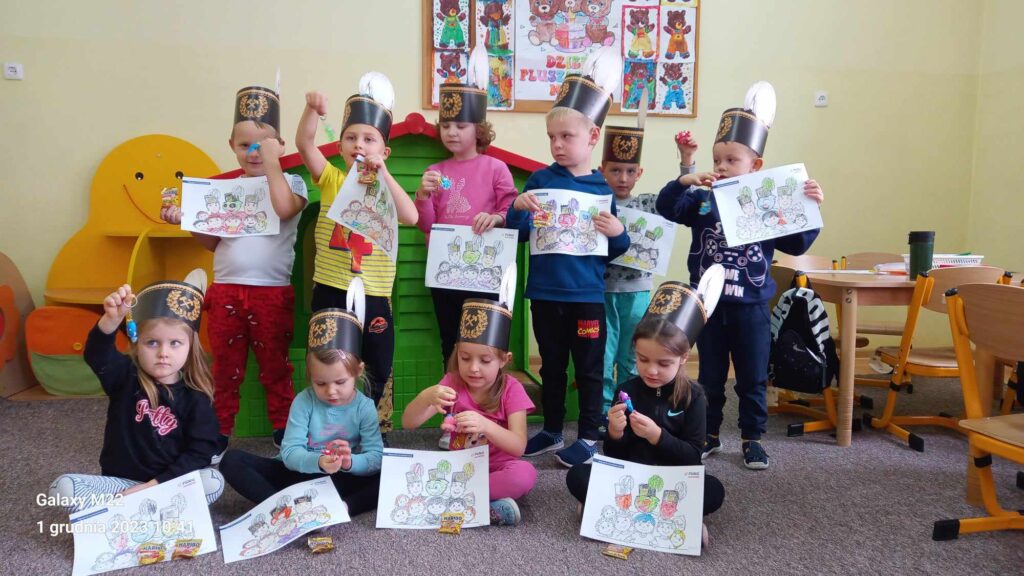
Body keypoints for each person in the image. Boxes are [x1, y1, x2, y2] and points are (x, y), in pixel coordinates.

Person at [655, 82, 824, 469]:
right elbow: (668, 208)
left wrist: (810, 207)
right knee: (709, 377)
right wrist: (684, 179)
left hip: (752, 308)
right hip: (709, 308)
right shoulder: (702, 200)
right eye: (718, 159)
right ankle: (709, 433)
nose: (721, 166)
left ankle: (752, 438)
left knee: (752, 378)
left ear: (755, 166)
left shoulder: (766, 204)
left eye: (731, 160)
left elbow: (797, 243)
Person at [161, 85, 308, 459]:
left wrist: (273, 163)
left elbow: (284, 209)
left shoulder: (291, 182)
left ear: (280, 145)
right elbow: (213, 243)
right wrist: (188, 221)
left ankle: (284, 429)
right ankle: (219, 430)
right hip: (226, 290)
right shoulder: (225, 191)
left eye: (262, 145)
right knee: (225, 368)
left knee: (275, 366)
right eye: (245, 145)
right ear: (232, 146)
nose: (253, 152)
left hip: (271, 292)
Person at [506, 50, 630, 467]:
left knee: (590, 368)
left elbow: (614, 249)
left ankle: (590, 436)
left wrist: (619, 234)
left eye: (567, 137)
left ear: (592, 137)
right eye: (552, 137)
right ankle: (553, 430)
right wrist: (517, 209)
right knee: (552, 366)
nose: (558, 145)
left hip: (586, 297)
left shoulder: (602, 188)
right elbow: (520, 234)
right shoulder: (540, 180)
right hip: (545, 294)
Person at [296, 72, 418, 442]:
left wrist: (385, 175)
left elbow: (411, 217)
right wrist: (312, 110)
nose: (359, 145)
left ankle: (370, 425)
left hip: (375, 294)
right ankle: (328, 426)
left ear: (384, 151)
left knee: (378, 361)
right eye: (351, 138)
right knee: (329, 358)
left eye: (369, 139)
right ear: (340, 147)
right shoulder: (331, 179)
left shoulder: (386, 189)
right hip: (331, 288)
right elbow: (304, 144)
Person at [567, 280, 726, 547]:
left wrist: (657, 436)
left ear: (683, 357)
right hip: (630, 479)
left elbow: (692, 457)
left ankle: (602, 506)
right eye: (643, 359)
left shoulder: (694, 396)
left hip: (672, 480)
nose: (651, 371)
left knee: (713, 490)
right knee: (578, 475)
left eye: (664, 363)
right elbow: (615, 456)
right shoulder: (626, 390)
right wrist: (615, 433)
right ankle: (678, 517)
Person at [48, 278, 224, 512]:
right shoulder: (124, 376)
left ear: (190, 347)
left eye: (175, 343)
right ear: (137, 344)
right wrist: (111, 320)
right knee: (62, 489)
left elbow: (199, 452)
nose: (163, 353)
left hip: (168, 485)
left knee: (213, 481)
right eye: (152, 343)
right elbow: (97, 354)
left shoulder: (197, 397)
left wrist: (153, 487)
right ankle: (145, 512)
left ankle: (131, 511)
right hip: (120, 486)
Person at [220, 280, 383, 517]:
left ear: (358, 372)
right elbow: (290, 453)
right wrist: (318, 462)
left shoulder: (364, 407)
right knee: (232, 461)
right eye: (320, 383)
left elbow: (375, 457)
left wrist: (350, 463)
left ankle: (343, 508)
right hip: (299, 476)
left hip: (341, 479)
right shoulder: (304, 401)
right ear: (310, 376)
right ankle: (282, 510)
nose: (331, 391)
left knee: (390, 473)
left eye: (340, 382)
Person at [401, 267, 533, 525]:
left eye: (485, 360)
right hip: (459, 467)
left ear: (504, 360)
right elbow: (409, 423)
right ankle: (483, 503)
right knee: (410, 468)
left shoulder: (512, 389)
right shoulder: (452, 382)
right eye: (465, 358)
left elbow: (518, 446)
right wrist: (426, 397)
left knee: (524, 474)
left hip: (499, 467)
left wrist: (486, 425)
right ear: (456, 353)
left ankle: (454, 498)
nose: (473, 368)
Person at [416, 47, 517, 370]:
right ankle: (451, 395)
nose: (451, 132)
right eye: (446, 125)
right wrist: (422, 195)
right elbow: (426, 225)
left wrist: (497, 217)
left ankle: (486, 396)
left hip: (486, 271)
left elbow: (512, 207)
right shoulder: (437, 171)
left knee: (486, 339)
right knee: (451, 340)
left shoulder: (496, 168)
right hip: (446, 272)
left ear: (479, 130)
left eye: (460, 125)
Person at [599, 125, 698, 415]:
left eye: (630, 171)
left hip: (637, 292)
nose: (623, 178)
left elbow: (684, 196)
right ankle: (604, 411)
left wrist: (687, 160)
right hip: (601, 292)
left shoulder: (647, 204)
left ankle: (629, 406)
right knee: (603, 356)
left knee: (633, 355)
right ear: (602, 170)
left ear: (639, 173)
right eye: (615, 170)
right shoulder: (597, 204)